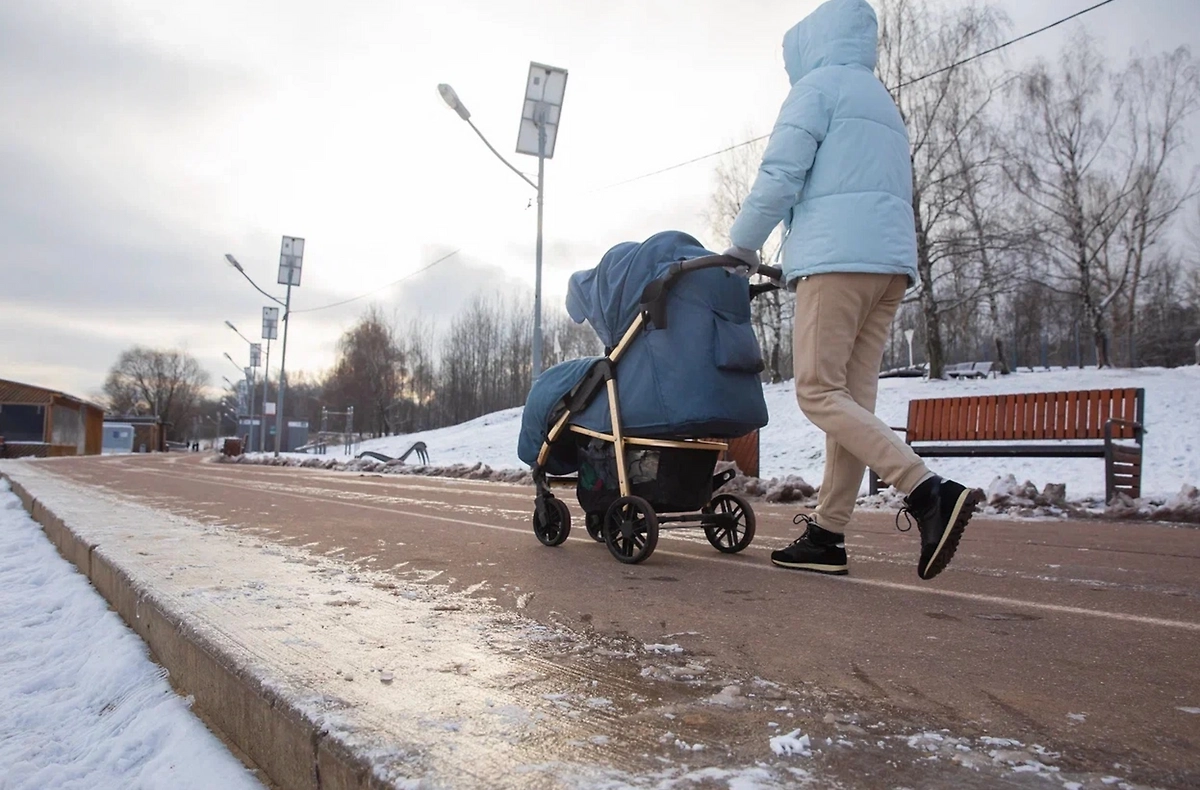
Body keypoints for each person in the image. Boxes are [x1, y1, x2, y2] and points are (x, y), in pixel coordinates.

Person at [722, 0, 982, 580]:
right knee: (850, 402)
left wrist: (741, 247)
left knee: (816, 392)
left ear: (809, 46)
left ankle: (927, 491)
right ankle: (828, 535)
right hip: (888, 266)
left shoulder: (818, 89)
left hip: (837, 263)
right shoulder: (880, 100)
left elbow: (781, 174)